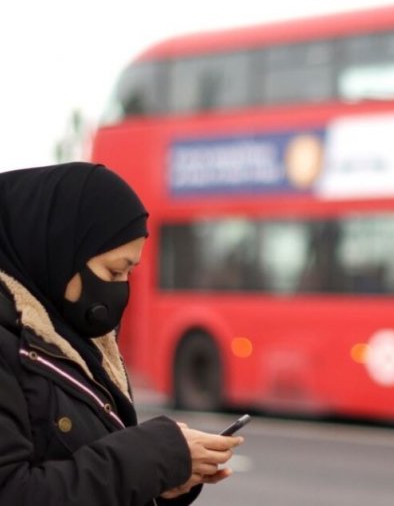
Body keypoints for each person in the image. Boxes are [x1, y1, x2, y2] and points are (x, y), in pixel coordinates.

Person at [0, 162, 243, 505]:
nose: (120, 290)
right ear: (58, 251)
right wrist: (151, 455)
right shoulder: (14, 343)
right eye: (114, 272)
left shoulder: (78, 342)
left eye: (129, 272)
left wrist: (165, 477)